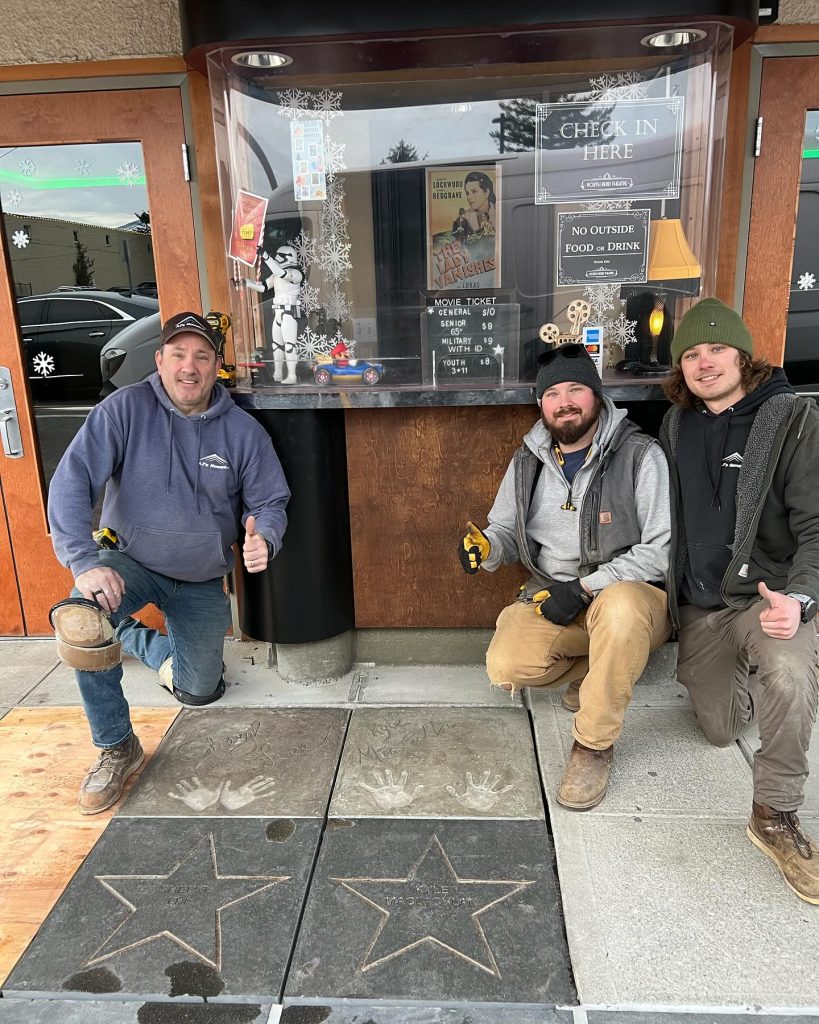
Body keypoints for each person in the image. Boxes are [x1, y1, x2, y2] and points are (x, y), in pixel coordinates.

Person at [47, 311, 290, 815]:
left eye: (201, 356)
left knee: (200, 692)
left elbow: (270, 502)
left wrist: (264, 536)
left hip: (201, 578)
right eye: (178, 354)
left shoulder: (243, 432)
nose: (189, 367)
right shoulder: (123, 410)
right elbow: (71, 483)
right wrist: (84, 561)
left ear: (216, 365)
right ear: (159, 360)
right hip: (127, 563)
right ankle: (116, 746)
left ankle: (138, 640)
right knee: (85, 622)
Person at [459, 344, 671, 810]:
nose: (565, 401)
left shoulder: (640, 454)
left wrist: (585, 587)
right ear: (541, 404)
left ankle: (592, 747)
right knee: (507, 665)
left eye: (576, 388)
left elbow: (661, 551)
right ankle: (605, 673)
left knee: (618, 611)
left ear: (596, 395)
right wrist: (487, 549)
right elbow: (505, 531)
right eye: (553, 393)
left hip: (628, 597)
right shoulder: (528, 459)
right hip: (552, 595)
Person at [659, 297, 819, 904]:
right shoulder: (677, 425)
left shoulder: (793, 418)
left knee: (784, 666)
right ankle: (764, 679)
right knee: (720, 731)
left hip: (765, 596)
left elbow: (817, 526)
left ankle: (774, 815)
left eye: (717, 349)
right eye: (692, 354)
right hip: (703, 608)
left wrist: (800, 598)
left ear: (743, 355)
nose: (705, 363)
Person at [460, 170, 496, 238]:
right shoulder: (465, 217)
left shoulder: (500, 214)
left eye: (474, 191)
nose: (469, 197)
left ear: (487, 192)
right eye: (467, 193)